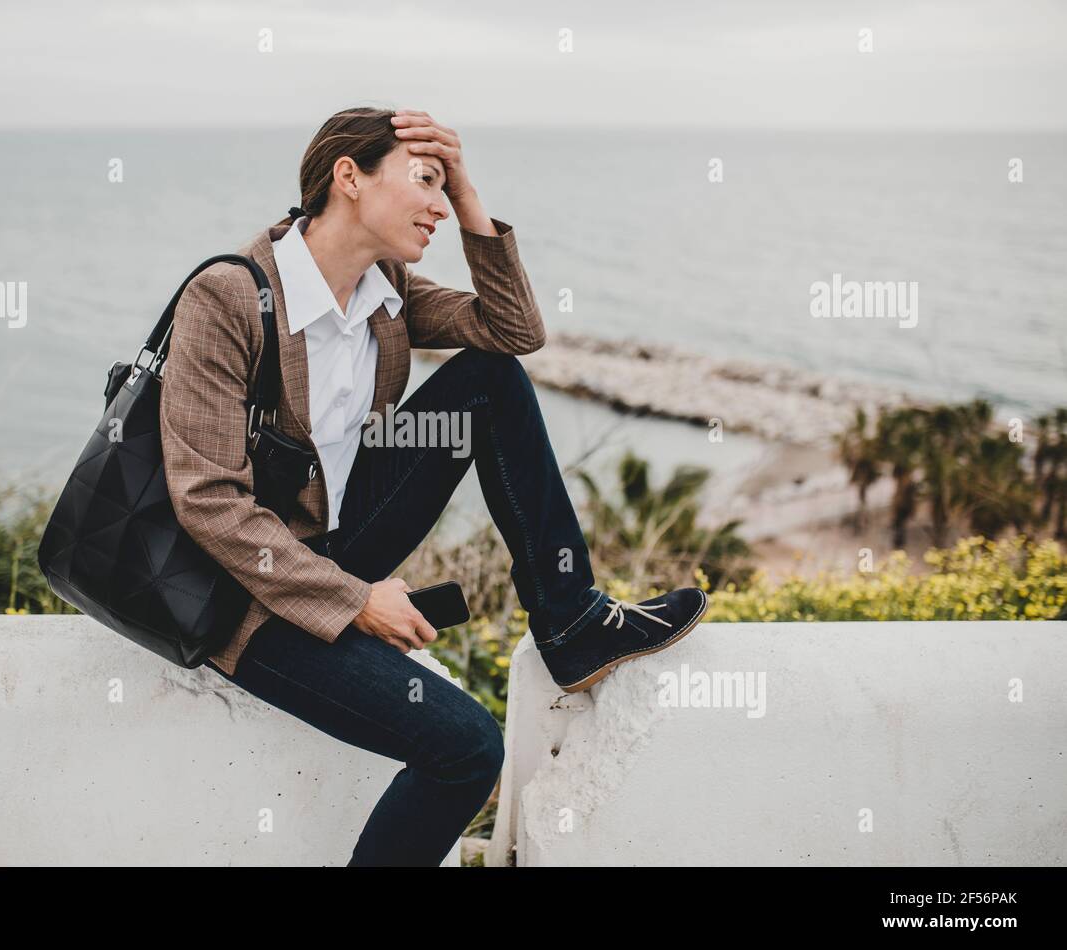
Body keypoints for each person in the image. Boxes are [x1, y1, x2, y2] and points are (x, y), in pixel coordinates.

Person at [159, 106, 706, 866]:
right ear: (348, 179)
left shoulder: (386, 291)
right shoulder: (228, 297)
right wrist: (357, 600)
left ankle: (572, 621)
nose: (441, 208)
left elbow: (513, 333)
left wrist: (473, 191)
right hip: (249, 598)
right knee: (468, 748)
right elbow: (207, 502)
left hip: (342, 543)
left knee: (490, 379)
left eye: (446, 188)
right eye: (425, 182)